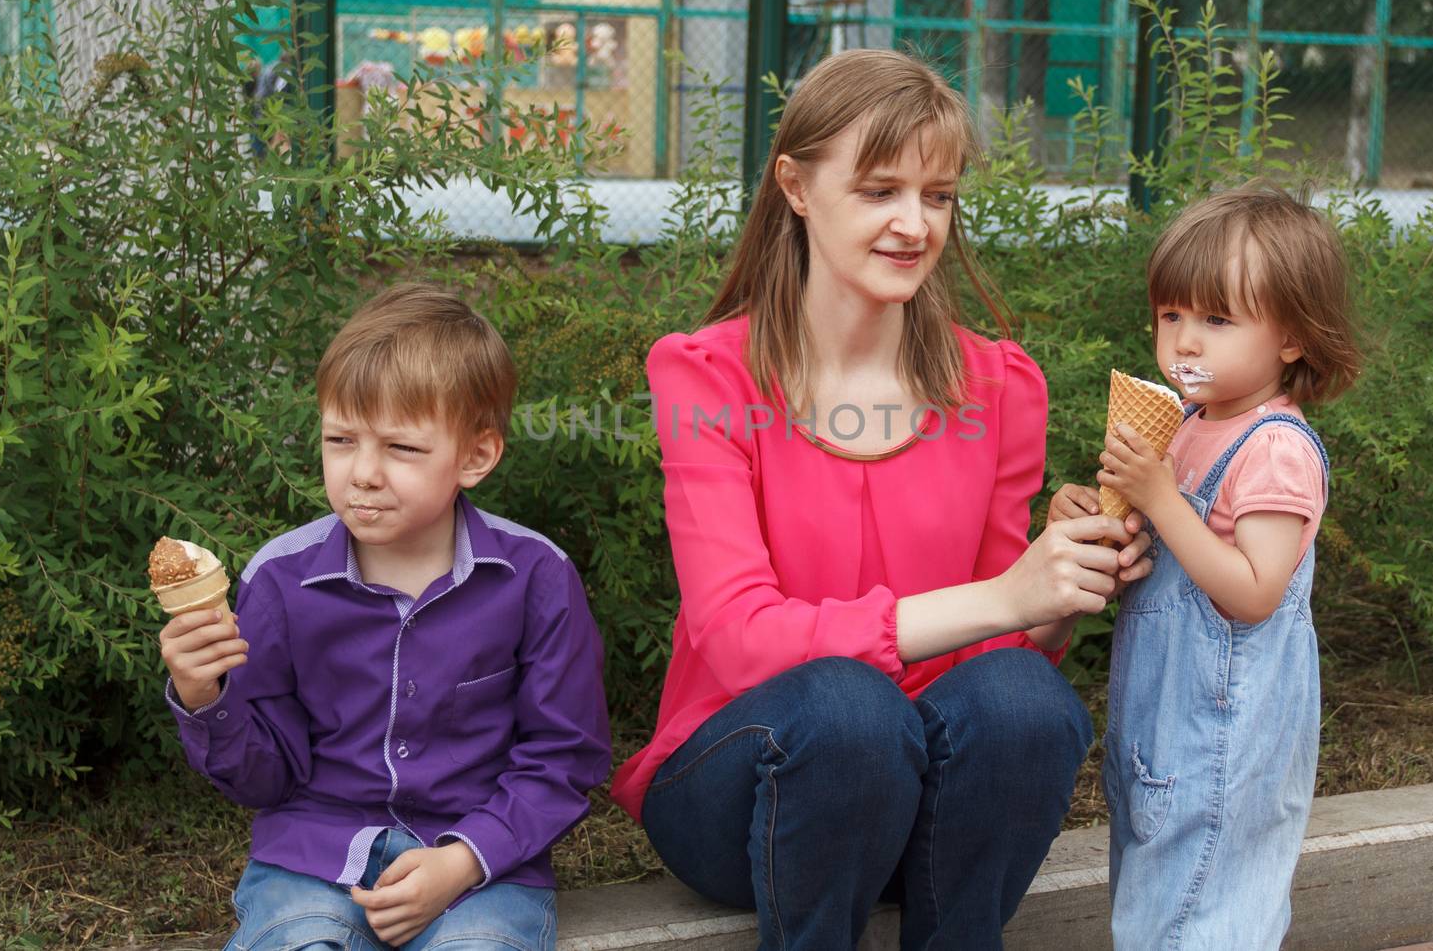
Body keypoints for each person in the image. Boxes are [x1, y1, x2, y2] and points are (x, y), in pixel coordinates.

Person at [610, 48, 1153, 950]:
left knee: (1023, 697)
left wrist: (1056, 592)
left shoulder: (1000, 384)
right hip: (748, 788)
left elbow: (1001, 651)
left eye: (936, 195)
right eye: (878, 190)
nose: (914, 223)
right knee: (846, 709)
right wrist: (1003, 595)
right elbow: (740, 636)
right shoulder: (707, 376)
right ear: (795, 183)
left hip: (926, 801)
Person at [159, 283, 611, 951]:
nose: (362, 472)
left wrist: (464, 859)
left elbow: (563, 757)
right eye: (341, 439)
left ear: (476, 455)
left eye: (400, 448)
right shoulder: (281, 578)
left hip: (482, 869)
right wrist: (206, 697)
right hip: (313, 860)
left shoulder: (536, 578)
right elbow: (266, 776)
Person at [1052, 183, 1361, 949]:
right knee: (1158, 912)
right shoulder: (1191, 425)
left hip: (1224, 744)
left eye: (1218, 319)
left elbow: (1255, 591)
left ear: (1292, 337)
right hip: (1162, 733)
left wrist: (1162, 501)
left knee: (1201, 920)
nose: (1185, 341)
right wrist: (1106, 521)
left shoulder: (1276, 448)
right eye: (1171, 315)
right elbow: (1173, 559)